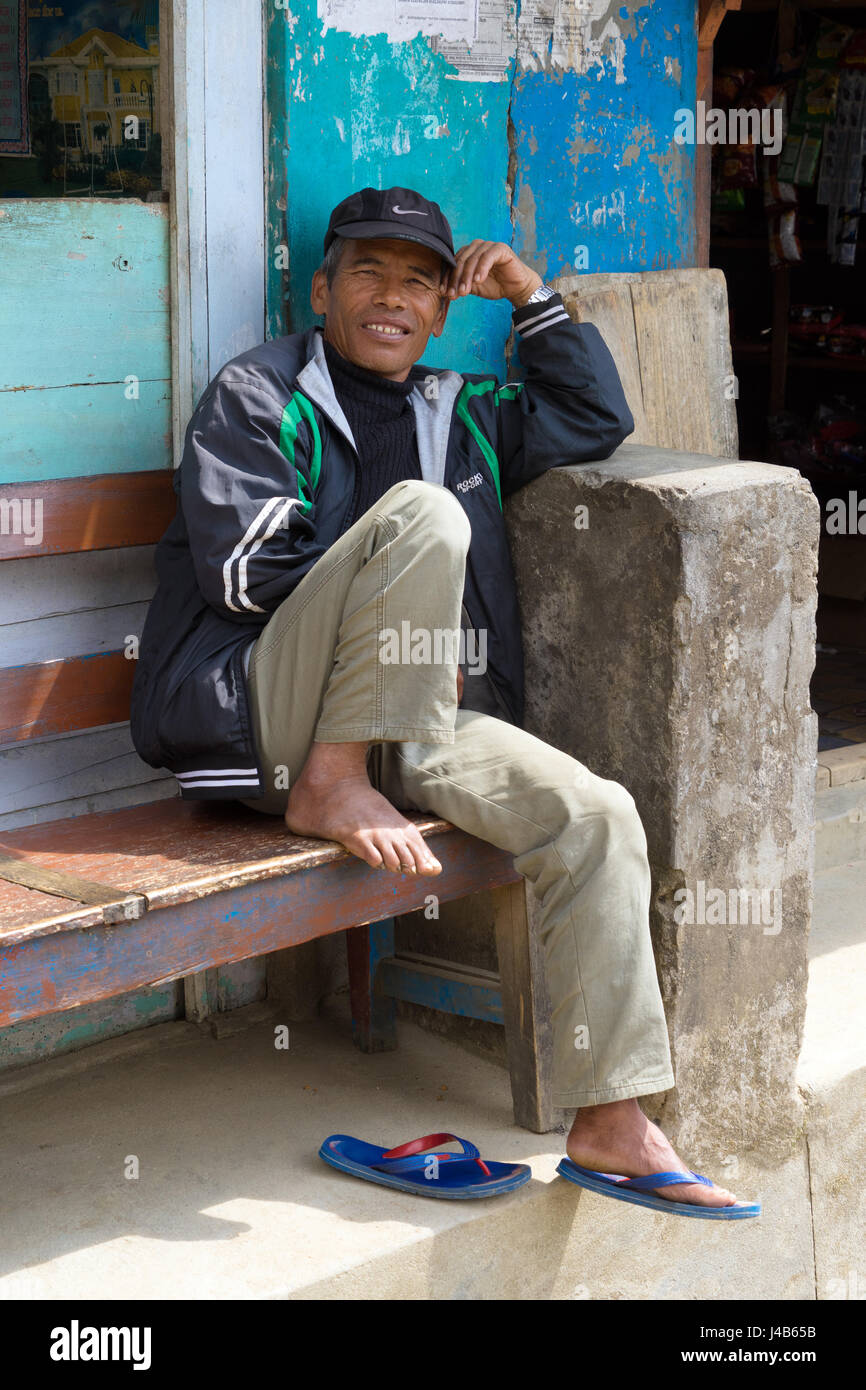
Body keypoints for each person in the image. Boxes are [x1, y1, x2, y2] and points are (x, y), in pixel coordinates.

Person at [131, 185, 748, 1211]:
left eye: (419, 281)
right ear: (321, 288)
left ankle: (610, 1118)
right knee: (421, 516)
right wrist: (397, 565)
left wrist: (525, 295)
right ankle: (330, 782)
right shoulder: (256, 393)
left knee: (596, 814)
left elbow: (594, 418)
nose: (392, 297)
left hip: (412, 717)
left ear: (440, 309)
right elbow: (241, 575)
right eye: (366, 272)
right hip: (270, 717)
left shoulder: (456, 408)